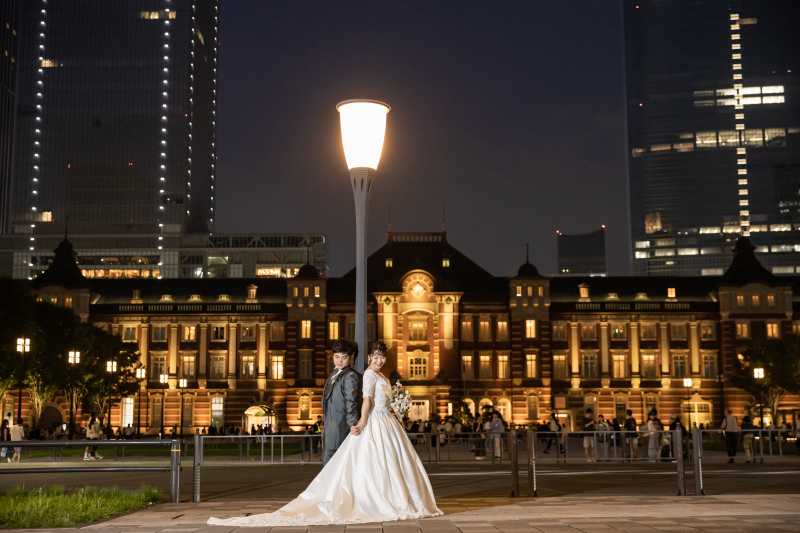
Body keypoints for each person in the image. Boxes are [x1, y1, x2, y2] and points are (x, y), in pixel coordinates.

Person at [208, 342, 442, 526]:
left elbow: (361, 400)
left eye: (383, 356)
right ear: (369, 357)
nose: (379, 359)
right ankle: (351, 498)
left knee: (383, 464)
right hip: (371, 422)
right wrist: (361, 421)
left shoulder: (376, 376)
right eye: (376, 355)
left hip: (385, 423)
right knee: (364, 465)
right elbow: (365, 401)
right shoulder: (367, 375)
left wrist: (394, 409)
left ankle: (383, 498)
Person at [321, 339, 360, 466]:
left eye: (344, 357)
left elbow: (351, 401)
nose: (339, 360)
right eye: (337, 357)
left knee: (335, 465)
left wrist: (353, 424)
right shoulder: (334, 373)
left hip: (340, 427)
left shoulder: (349, 376)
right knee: (329, 464)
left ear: (350, 357)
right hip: (330, 426)